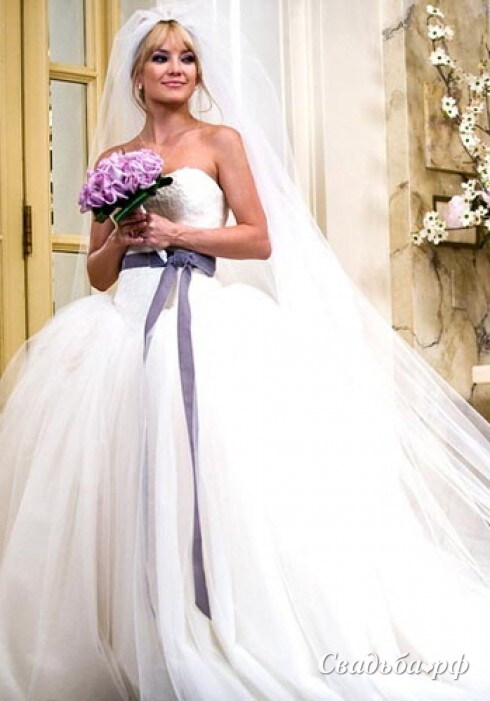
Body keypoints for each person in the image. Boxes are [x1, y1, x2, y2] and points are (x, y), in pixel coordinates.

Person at [3, 3, 490, 700]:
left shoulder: (219, 141)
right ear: (137, 75)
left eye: (187, 58)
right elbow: (98, 272)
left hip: (200, 318)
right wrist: (125, 235)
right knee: (125, 471)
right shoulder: (113, 161)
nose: (176, 69)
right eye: (160, 58)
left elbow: (259, 237)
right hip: (123, 330)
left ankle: (214, 619)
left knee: (212, 470)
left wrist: (177, 233)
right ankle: (135, 629)